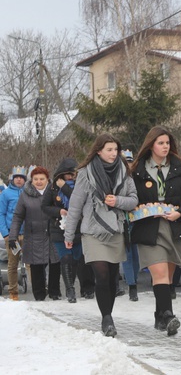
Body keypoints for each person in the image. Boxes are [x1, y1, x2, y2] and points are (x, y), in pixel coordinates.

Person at [64, 134, 138, 337]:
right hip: (92, 231)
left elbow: (133, 200)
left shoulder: (124, 171)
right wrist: (69, 234)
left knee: (112, 277)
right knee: (102, 275)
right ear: (98, 151)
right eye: (109, 150)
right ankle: (107, 318)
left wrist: (118, 202)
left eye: (116, 149)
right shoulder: (85, 174)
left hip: (115, 230)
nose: (114, 154)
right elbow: (75, 206)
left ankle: (108, 313)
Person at [130, 126, 181, 336]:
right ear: (151, 145)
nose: (165, 146)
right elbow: (131, 198)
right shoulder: (137, 170)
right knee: (158, 273)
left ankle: (160, 317)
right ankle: (168, 315)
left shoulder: (179, 167)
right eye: (161, 143)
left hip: (174, 226)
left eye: (167, 143)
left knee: (167, 276)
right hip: (149, 227)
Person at [9, 166, 61, 301]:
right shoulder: (25, 195)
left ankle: (55, 292)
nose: (39, 182)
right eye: (36, 179)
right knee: (36, 266)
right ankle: (39, 296)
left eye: (42, 179)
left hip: (53, 233)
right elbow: (17, 216)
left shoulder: (54, 192)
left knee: (55, 263)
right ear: (31, 180)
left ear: (47, 180)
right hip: (34, 236)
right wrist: (13, 236)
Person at [42, 158, 81, 303]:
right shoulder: (52, 188)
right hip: (59, 228)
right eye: (68, 174)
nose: (71, 177)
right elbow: (44, 206)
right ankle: (70, 290)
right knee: (65, 258)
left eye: (73, 174)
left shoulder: (78, 186)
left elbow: (78, 200)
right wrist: (59, 211)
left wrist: (65, 186)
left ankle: (72, 285)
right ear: (61, 173)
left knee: (75, 258)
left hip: (77, 227)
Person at [0, 166, 28, 300]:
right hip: (13, 236)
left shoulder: (28, 192)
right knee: (13, 264)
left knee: (33, 262)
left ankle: (40, 289)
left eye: (21, 178)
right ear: (12, 179)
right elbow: (1, 214)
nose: (18, 180)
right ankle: (13, 293)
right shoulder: (5, 194)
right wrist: (5, 234)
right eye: (16, 178)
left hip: (28, 234)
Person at [118, 149, 140, 301]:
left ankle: (134, 279)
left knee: (136, 255)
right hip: (122, 220)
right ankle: (132, 286)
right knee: (127, 254)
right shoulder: (116, 179)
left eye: (130, 162)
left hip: (136, 219)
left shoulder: (135, 177)